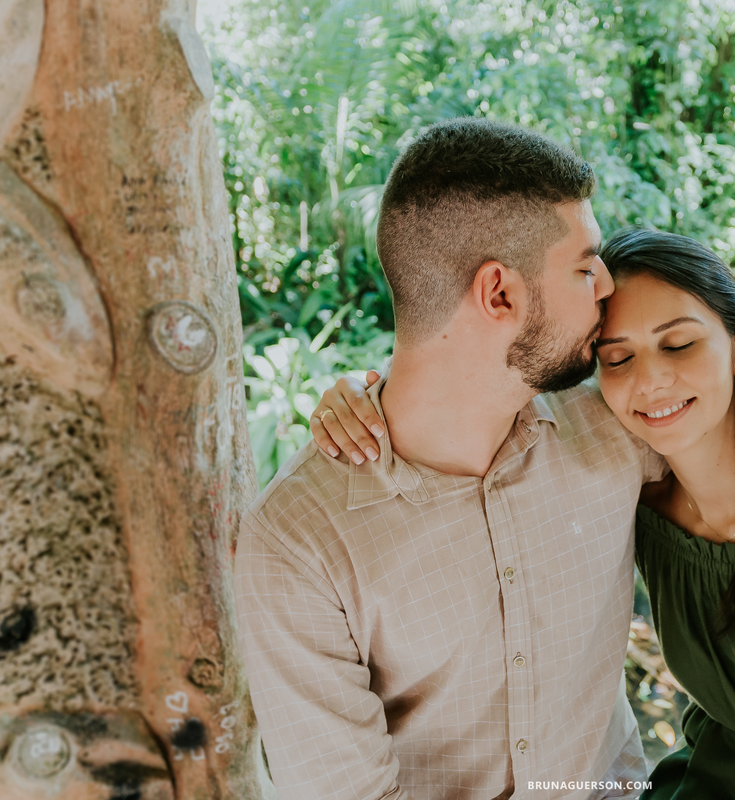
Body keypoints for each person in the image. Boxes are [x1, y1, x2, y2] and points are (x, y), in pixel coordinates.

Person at [311, 228, 735, 799]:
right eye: (618, 358)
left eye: (679, 344)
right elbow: (474, 403)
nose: (649, 380)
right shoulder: (638, 490)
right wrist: (368, 394)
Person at [233, 117, 666, 800]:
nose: (608, 287)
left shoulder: (617, 429)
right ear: (499, 293)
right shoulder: (298, 543)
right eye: (585, 268)